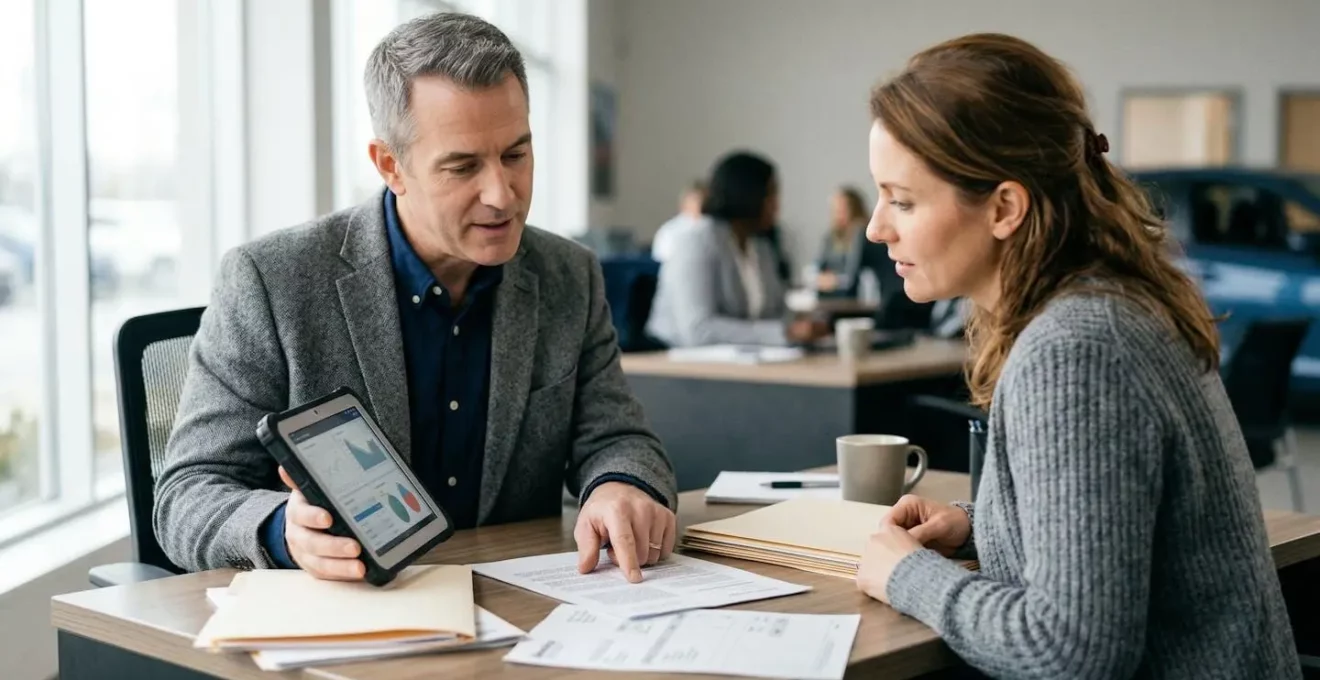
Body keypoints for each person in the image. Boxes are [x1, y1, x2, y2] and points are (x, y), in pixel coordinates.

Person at [154, 12, 677, 585]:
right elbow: (187, 496)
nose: (502, 195)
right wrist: (285, 531)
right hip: (349, 612)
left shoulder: (569, 275)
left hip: (519, 603)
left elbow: (618, 438)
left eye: (515, 155)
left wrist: (620, 485)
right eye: (463, 166)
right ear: (391, 166)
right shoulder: (271, 281)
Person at [853, 33, 1300, 679]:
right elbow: (1120, 523)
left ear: (1005, 207)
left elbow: (1071, 651)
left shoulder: (1077, 349)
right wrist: (977, 523)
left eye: (902, 200)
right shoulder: (1105, 304)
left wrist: (907, 575)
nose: (876, 227)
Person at [645, 151, 825, 347]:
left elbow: (777, 312)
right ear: (748, 194)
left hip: (748, 358)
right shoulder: (695, 242)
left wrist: (802, 326)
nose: (776, 205)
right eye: (771, 194)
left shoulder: (761, 247)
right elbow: (698, 330)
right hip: (674, 358)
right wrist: (783, 332)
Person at [815, 186, 885, 297]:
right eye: (835, 210)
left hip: (860, 297)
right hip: (833, 296)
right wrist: (822, 278)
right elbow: (818, 267)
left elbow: (852, 275)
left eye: (842, 210)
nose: (837, 214)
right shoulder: (831, 236)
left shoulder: (860, 232)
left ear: (854, 210)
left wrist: (835, 280)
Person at [650, 180, 707, 263]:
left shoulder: (715, 229)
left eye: (704, 200)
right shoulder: (669, 232)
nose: (701, 205)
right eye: (695, 200)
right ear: (684, 203)